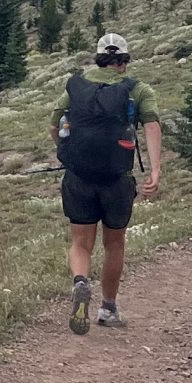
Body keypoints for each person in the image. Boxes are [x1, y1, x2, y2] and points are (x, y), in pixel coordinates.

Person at [52, 31, 164, 333]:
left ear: (98, 59)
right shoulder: (138, 89)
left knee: (80, 242)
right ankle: (108, 308)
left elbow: (55, 121)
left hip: (79, 177)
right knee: (114, 244)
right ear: (124, 61)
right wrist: (155, 170)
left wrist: (65, 153)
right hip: (117, 179)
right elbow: (152, 126)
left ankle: (80, 280)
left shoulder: (76, 86)